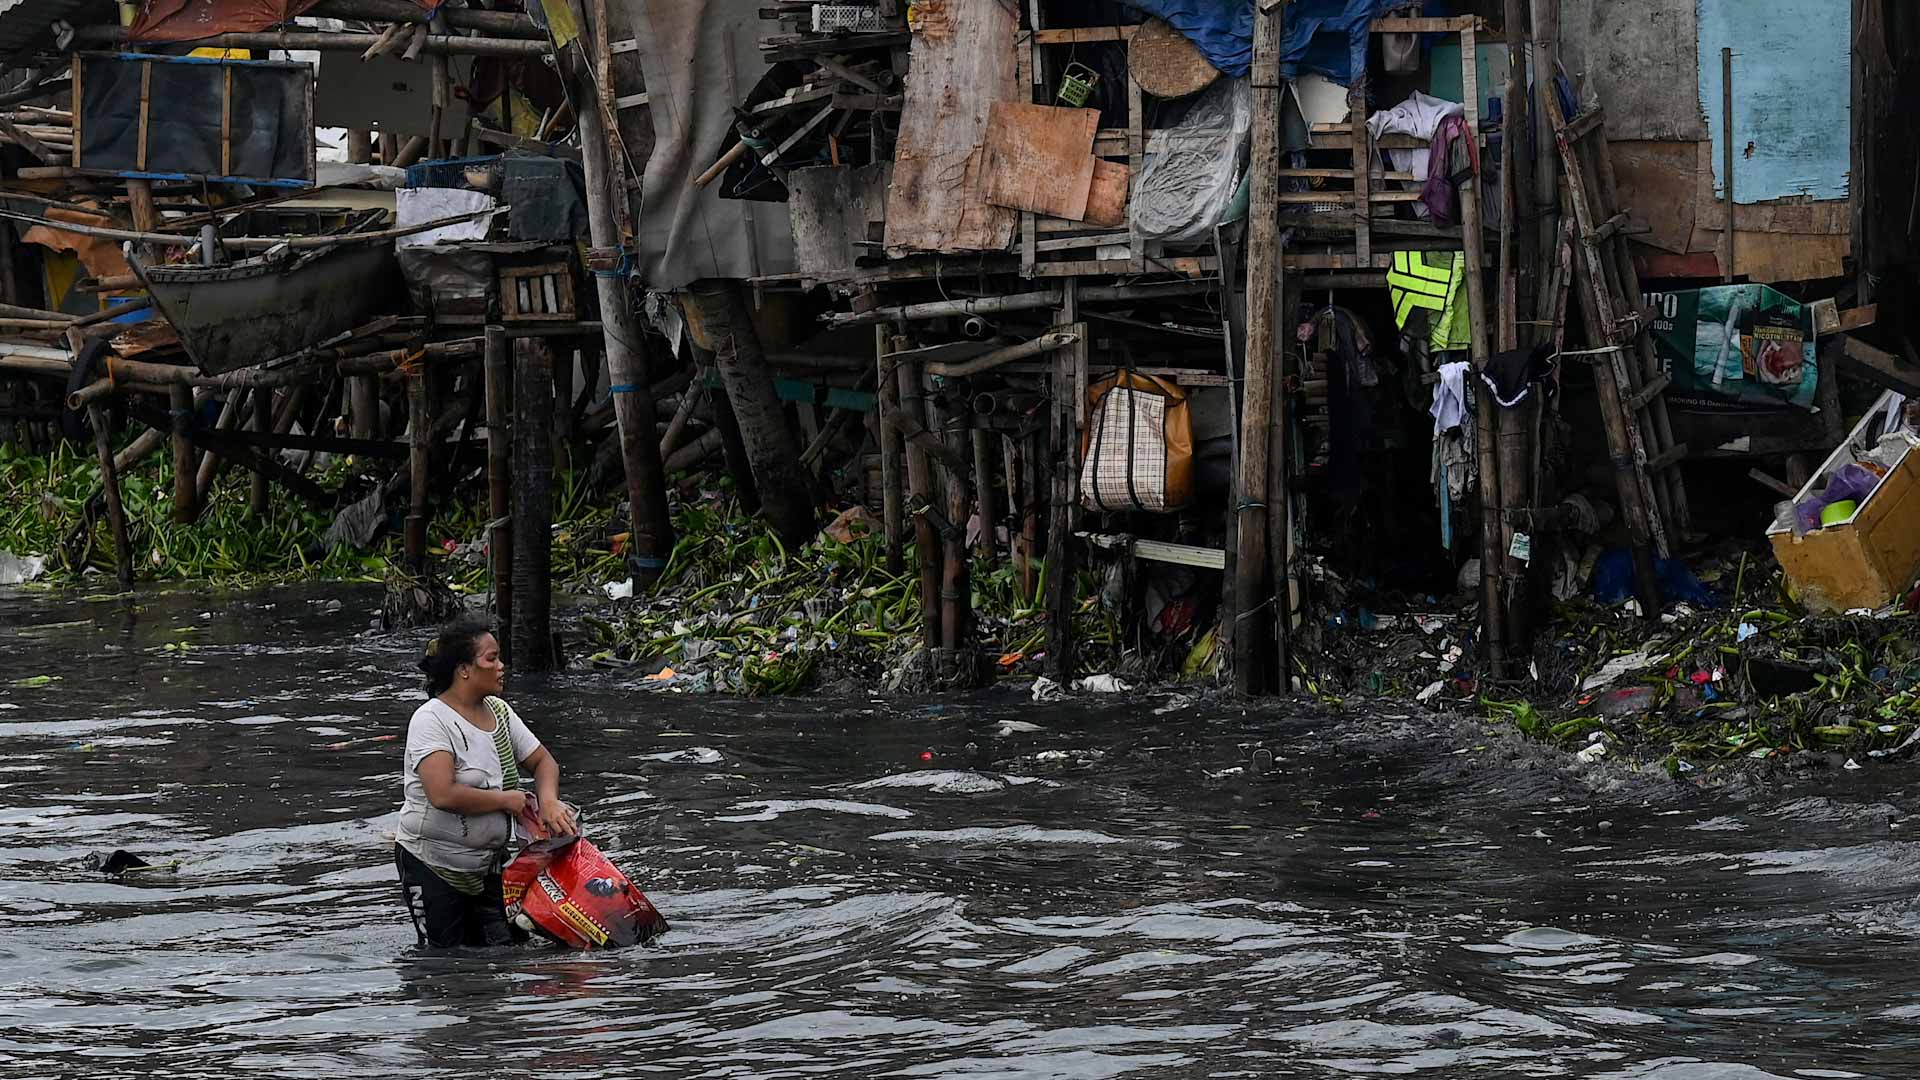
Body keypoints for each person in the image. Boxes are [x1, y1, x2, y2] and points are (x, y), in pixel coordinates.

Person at [393, 617, 578, 948]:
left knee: (506, 950)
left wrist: (549, 801)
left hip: (486, 866)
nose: (501, 666)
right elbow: (442, 794)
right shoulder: (431, 720)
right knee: (445, 961)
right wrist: (506, 801)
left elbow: (543, 762)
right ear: (464, 669)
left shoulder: (500, 712)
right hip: (431, 864)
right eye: (491, 659)